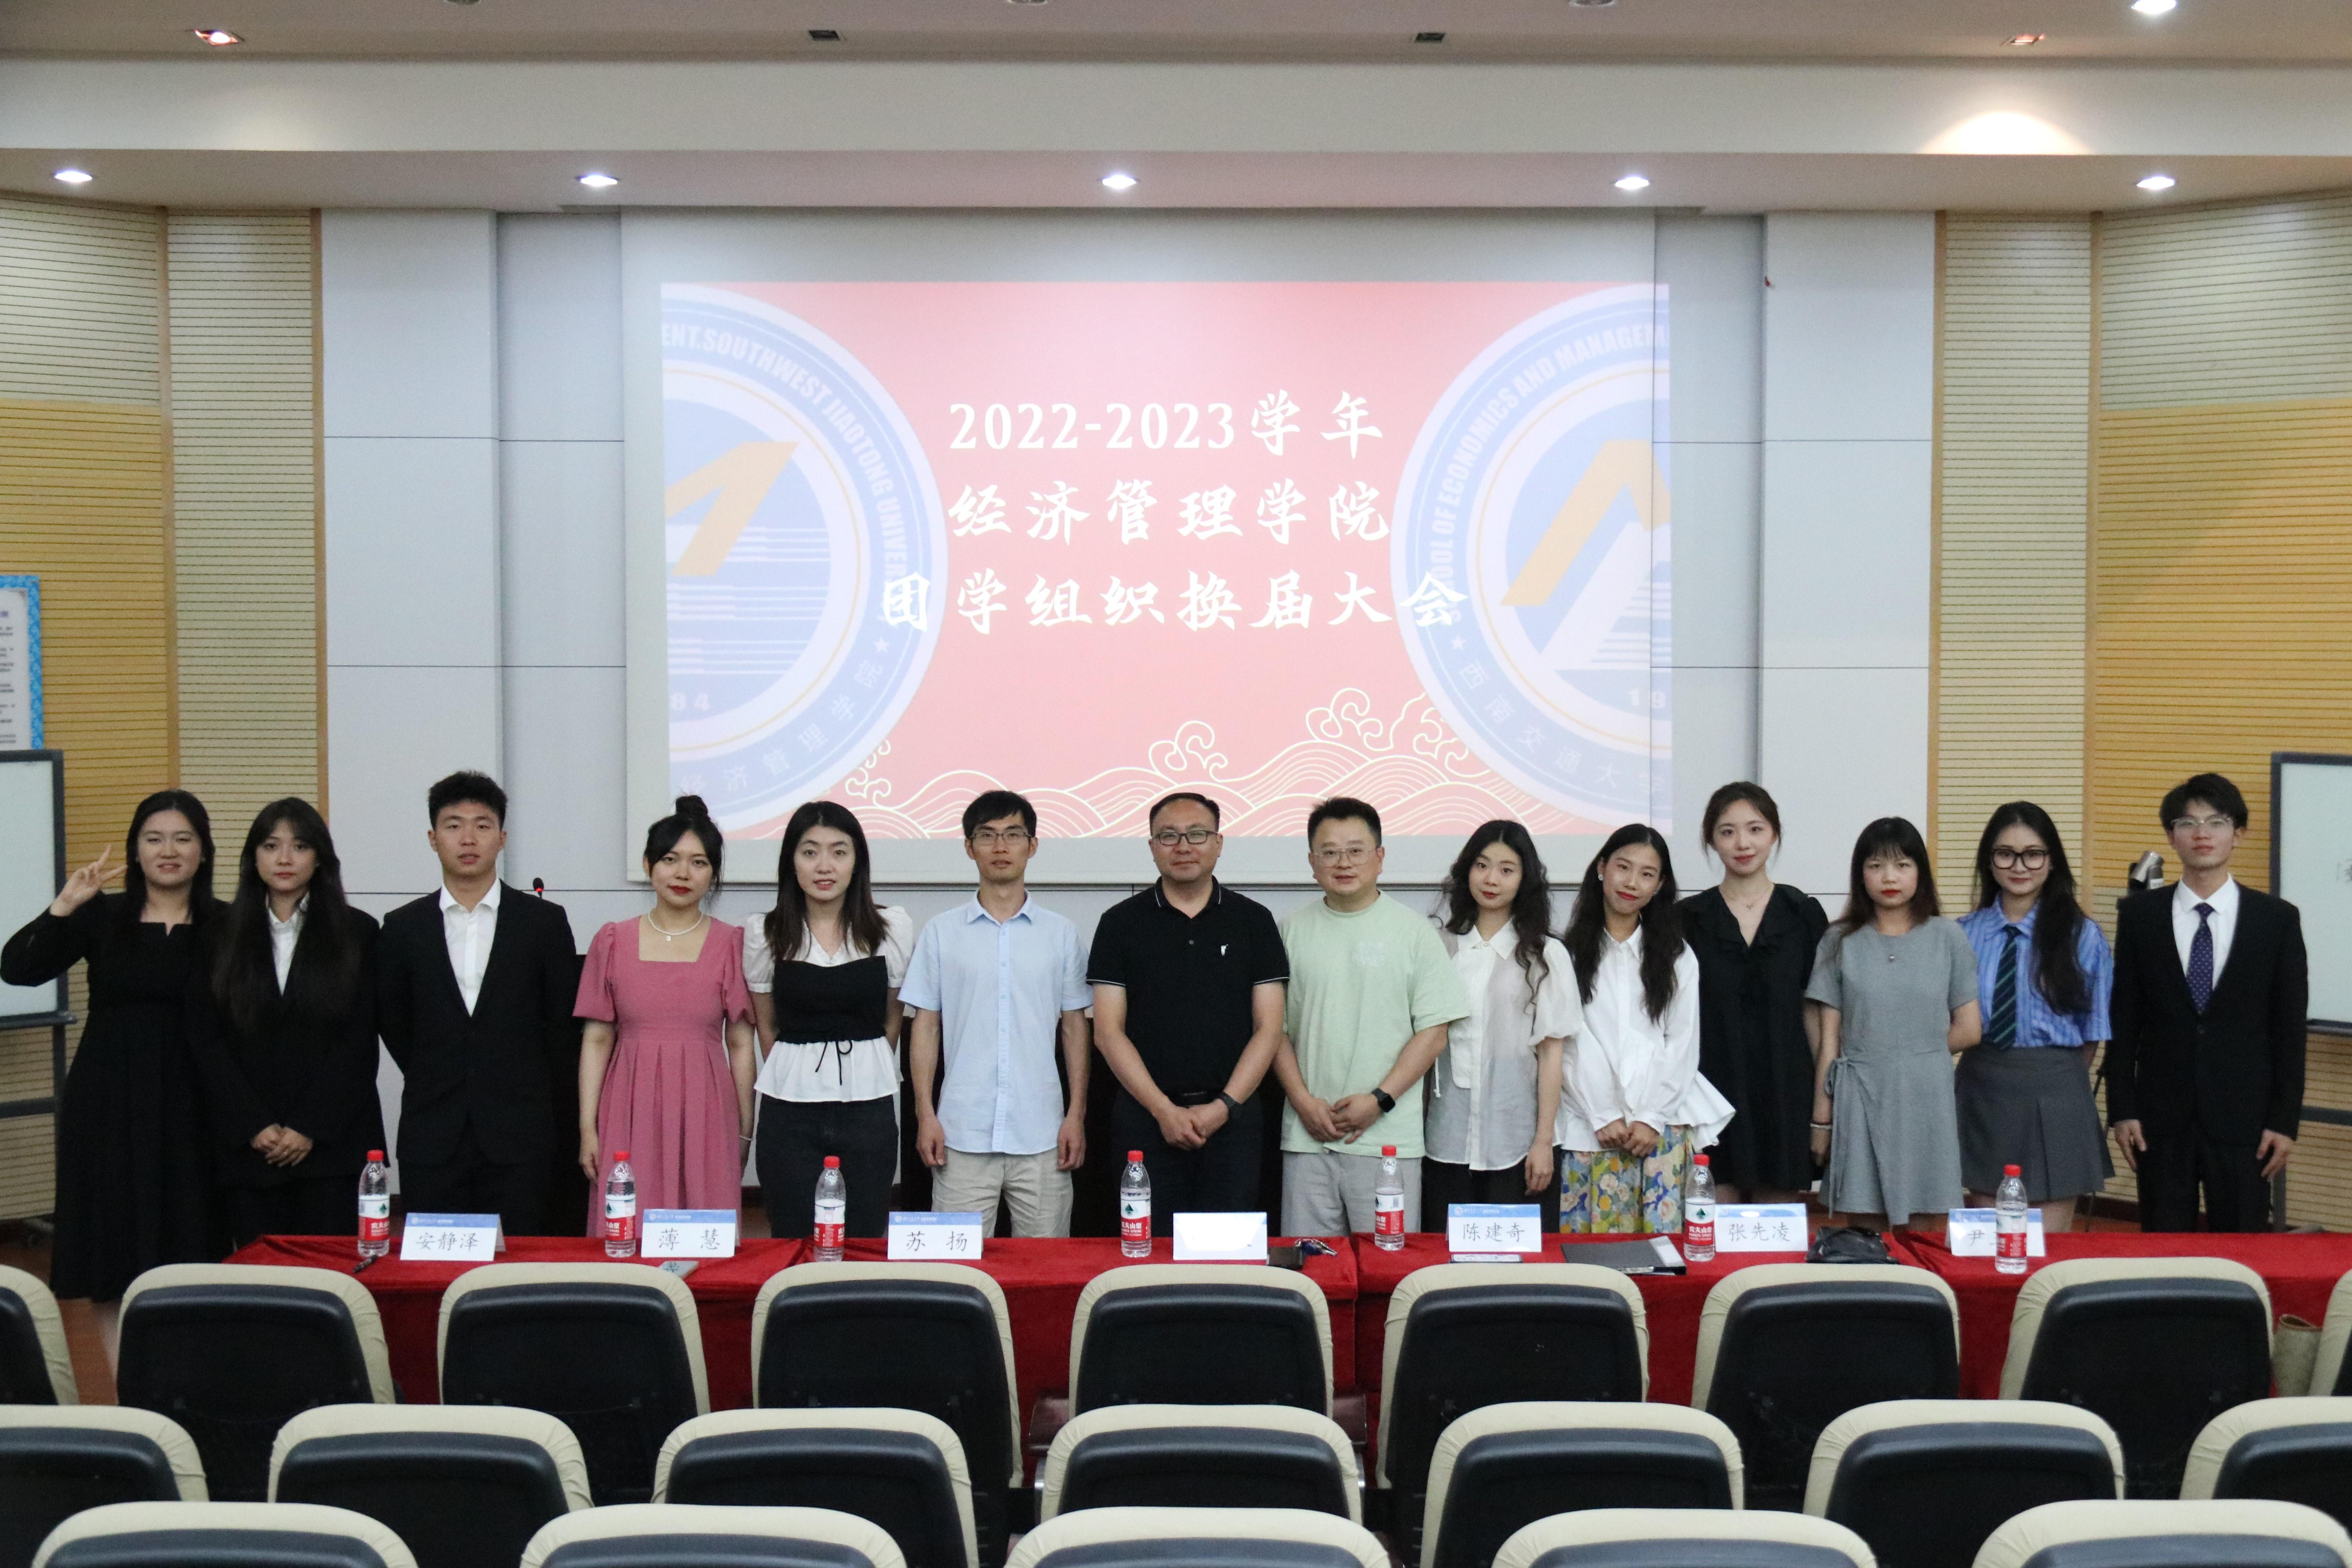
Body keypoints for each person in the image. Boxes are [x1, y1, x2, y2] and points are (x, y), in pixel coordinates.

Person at [2, 791, 222, 1360]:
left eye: (183, 839)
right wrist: (64, 904)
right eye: (154, 839)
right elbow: (18, 968)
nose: (168, 851)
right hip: (108, 1101)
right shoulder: (101, 914)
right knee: (114, 1252)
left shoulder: (228, 923)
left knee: (192, 1245)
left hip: (195, 1104)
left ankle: (186, 1384)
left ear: (203, 851)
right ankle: (130, 1391)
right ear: (135, 850)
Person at [376, 772, 581, 1237]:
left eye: (482, 825)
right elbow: (395, 1022)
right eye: (453, 825)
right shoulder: (403, 927)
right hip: (433, 1134)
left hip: (521, 1136)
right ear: (433, 838)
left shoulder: (544, 923)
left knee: (519, 1267)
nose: (468, 838)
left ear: (502, 838)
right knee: (434, 1265)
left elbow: (560, 1025)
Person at [2108, 773, 2308, 1232]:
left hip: (2246, 1122)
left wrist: (2285, 1121)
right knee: (2163, 1251)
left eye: (2216, 822)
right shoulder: (2140, 916)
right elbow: (2125, 1018)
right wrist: (2123, 1108)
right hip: (2159, 1119)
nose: (2202, 833)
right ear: (2171, 836)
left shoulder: (2276, 920)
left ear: (2238, 834)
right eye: (2188, 823)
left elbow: (2289, 1030)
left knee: (2242, 1250)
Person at [1088, 792, 1288, 1231]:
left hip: (1233, 1121)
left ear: (1218, 843)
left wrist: (1224, 1107)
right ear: (1152, 846)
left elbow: (1269, 1028)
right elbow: (1107, 1032)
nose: (1183, 846)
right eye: (1169, 836)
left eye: (1197, 834)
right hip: (1146, 1121)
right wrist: (1163, 1111)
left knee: (1229, 1255)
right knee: (1149, 1255)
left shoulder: (1254, 921)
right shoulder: (1119, 923)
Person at [189, 798, 385, 1247]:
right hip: (249, 1148)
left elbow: (359, 1039)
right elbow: (206, 1038)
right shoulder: (218, 934)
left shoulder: (357, 932)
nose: (284, 858)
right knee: (259, 1278)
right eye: (271, 845)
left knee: (332, 1274)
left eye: (300, 846)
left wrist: (309, 1126)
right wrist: (254, 1124)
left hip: (332, 1147)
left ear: (320, 858)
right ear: (253, 857)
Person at [1273, 797, 1470, 1237]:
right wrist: (1303, 1103)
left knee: (1388, 1264)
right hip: (1307, 1137)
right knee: (1312, 1266)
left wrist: (1379, 1100)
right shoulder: (1288, 932)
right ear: (1312, 861)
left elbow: (1434, 1033)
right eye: (1330, 852)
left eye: (1356, 850)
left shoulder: (1415, 932)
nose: (1343, 862)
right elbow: (1274, 1032)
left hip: (1389, 1142)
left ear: (1380, 857)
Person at [904, 791, 1091, 1237]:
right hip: (961, 1133)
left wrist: (1076, 1115)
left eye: (1013, 835)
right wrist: (925, 1114)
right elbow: (926, 1027)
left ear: (1033, 845)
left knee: (1044, 1269)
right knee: (954, 1264)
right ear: (970, 848)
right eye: (987, 836)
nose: (1001, 846)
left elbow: (1074, 1030)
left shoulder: (1061, 934)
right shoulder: (941, 932)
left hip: (1042, 1133)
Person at [575, 795, 757, 1227]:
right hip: (628, 1105)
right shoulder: (612, 940)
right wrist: (588, 1128)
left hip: (707, 1105)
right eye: (670, 860)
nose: (682, 873)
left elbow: (740, 1043)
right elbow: (597, 1039)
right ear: (648, 864)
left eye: (699, 863)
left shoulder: (732, 943)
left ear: (714, 873)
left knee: (705, 1231)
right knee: (627, 1227)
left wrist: (745, 1128)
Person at [1805, 816, 1982, 1230]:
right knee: (1864, 1231)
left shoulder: (1948, 937)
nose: (1889, 877)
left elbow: (1970, 1028)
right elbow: (1829, 1043)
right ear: (1860, 874)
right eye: (1876, 866)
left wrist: (1909, 1055)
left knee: (1925, 1230)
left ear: (1920, 872)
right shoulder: (1838, 941)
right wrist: (1821, 1121)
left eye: (1902, 865)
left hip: (1927, 1096)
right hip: (1860, 1095)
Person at [748, 800, 913, 1240]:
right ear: (792, 862)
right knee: (792, 1236)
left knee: (863, 1236)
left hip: (869, 1107)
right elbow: (767, 1026)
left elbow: (892, 1019)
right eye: (810, 852)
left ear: (857, 861)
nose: (825, 866)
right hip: (789, 1110)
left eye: (839, 852)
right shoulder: (765, 932)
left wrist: (860, 1070)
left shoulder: (890, 928)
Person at [1555, 824, 1731, 1234]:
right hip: (1591, 1126)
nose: (1632, 882)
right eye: (1623, 867)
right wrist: (1603, 1112)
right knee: (1592, 1252)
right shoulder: (1567, 952)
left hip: (1661, 1127)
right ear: (1602, 868)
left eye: (1647, 874)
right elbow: (1569, 1040)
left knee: (1663, 1250)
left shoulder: (1676, 955)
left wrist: (1651, 1118)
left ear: (1660, 885)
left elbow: (1682, 1042)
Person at [1956, 802, 2114, 1232]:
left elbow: (2093, 1035)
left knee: (2049, 1245)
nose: (2019, 866)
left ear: (2052, 860)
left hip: (2058, 1093)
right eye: (2005, 854)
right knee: (1991, 1240)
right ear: (1989, 861)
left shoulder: (2082, 935)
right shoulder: (1962, 935)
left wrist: (2052, 1078)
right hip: (1983, 1089)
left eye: (2033, 854)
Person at [1677, 782, 1828, 1203]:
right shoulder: (1686, 920)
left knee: (1774, 1233)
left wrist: (1823, 1110)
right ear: (1711, 840)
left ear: (1774, 833)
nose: (1742, 843)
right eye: (1727, 832)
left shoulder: (1804, 914)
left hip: (1785, 1093)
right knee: (1710, 1227)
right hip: (1709, 1096)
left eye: (1755, 829)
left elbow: (1819, 1019)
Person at [1426, 820, 1576, 1231]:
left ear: (1525, 879)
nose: (1491, 879)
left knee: (1516, 1261)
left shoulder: (1546, 955)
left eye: (1507, 870)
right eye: (1482, 865)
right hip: (1446, 1138)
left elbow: (1551, 1055)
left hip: (1519, 1142)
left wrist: (1542, 1142)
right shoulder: (1439, 947)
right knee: (1445, 1257)